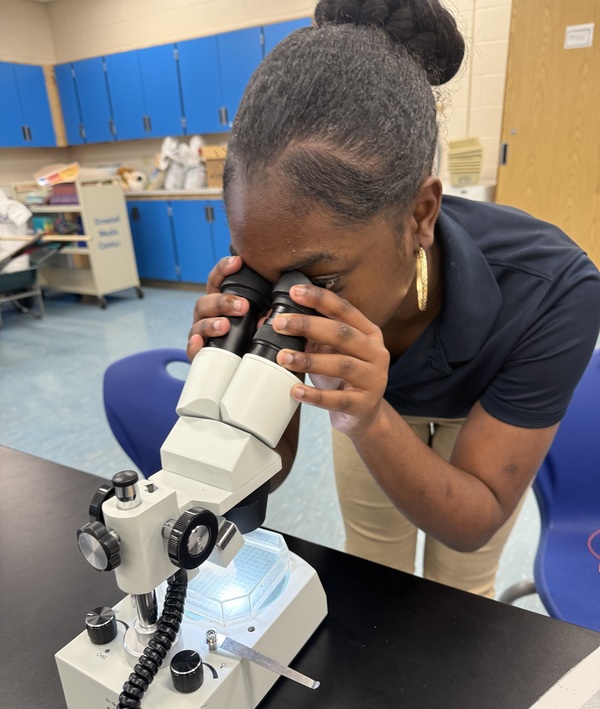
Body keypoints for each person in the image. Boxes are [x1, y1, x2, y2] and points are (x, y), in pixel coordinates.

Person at [187, 0, 600, 598]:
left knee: (461, 586)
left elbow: (473, 519)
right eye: (260, 271)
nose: (290, 306)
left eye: (318, 280)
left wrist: (371, 416)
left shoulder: (555, 291)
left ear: (420, 214)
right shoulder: (301, 259)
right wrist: (221, 392)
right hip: (371, 392)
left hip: (476, 400)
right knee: (372, 566)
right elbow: (262, 479)